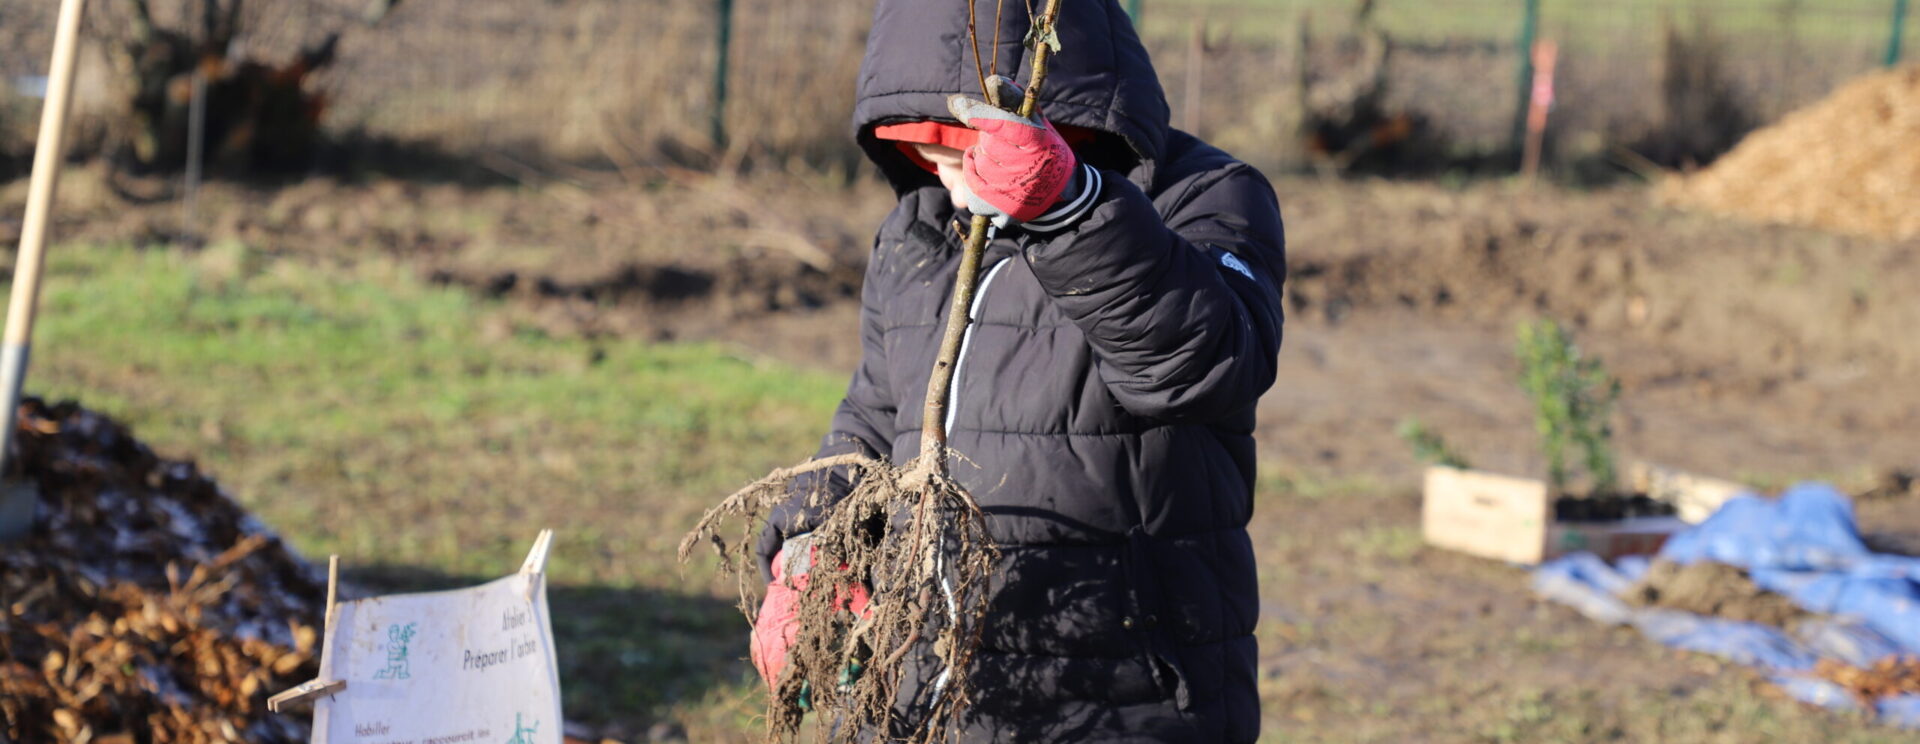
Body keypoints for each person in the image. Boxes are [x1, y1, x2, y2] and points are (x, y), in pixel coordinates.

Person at [752, 0, 1285, 740]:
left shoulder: (1201, 198)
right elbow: (878, 412)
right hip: (929, 675)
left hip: (1122, 682)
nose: (952, 183)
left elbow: (1200, 364)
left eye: (962, 155)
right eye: (931, 160)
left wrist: (1072, 210)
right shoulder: (919, 229)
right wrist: (815, 543)